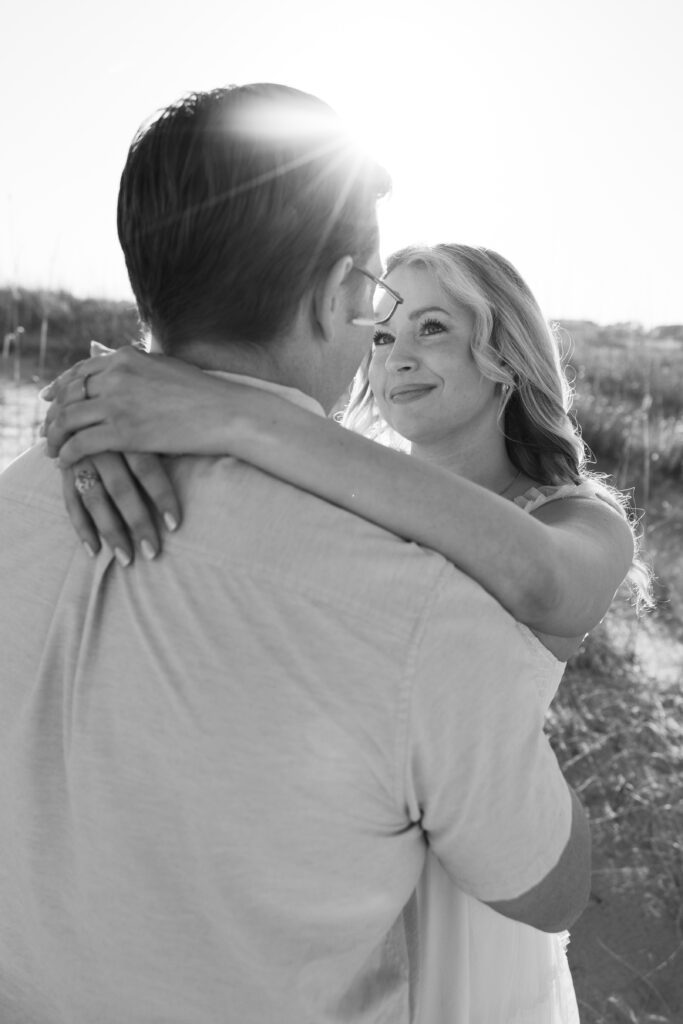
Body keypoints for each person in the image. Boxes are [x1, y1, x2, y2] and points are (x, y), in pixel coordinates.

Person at [0, 84, 592, 1024]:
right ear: (334, 301)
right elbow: (550, 891)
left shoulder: (27, 493)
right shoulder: (420, 613)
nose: (384, 344)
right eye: (379, 306)